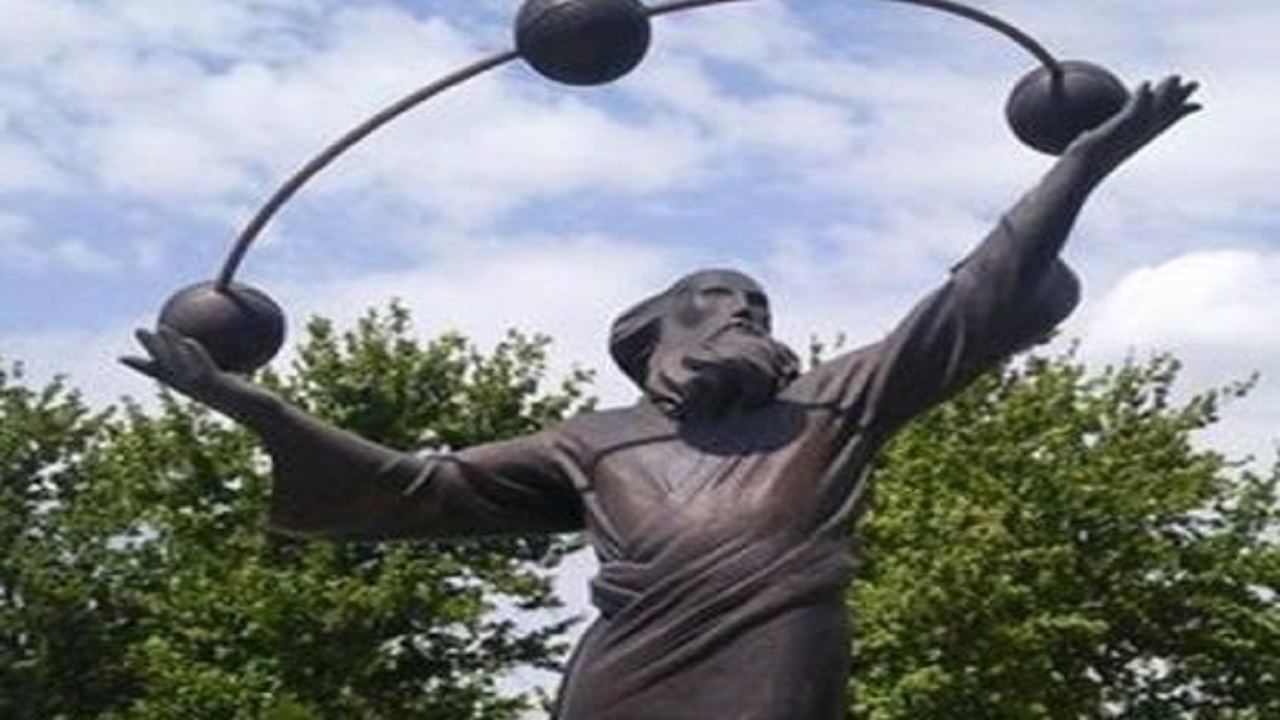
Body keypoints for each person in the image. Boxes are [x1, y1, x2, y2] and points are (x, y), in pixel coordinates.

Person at [124, 76, 1199, 720]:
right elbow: (417, 487)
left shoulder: (833, 402)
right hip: (622, 675)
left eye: (757, 301)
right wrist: (250, 406)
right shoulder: (591, 442)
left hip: (771, 658)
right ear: (654, 337)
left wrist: (1081, 168)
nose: (746, 311)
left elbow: (973, 295)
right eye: (715, 298)